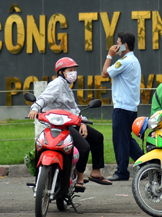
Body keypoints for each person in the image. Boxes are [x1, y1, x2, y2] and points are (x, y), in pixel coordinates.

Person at [28, 57, 110, 189]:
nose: (73, 73)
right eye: (70, 70)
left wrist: (82, 122)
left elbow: (73, 108)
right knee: (84, 146)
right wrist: (35, 108)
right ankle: (80, 178)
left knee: (97, 137)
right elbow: (44, 98)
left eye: (74, 70)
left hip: (70, 122)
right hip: (59, 125)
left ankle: (96, 172)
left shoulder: (67, 87)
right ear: (61, 72)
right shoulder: (57, 84)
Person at [101, 32, 143, 181]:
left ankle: (122, 172)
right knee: (126, 139)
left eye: (118, 43)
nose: (115, 46)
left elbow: (104, 73)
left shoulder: (124, 61)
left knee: (120, 140)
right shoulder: (134, 60)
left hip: (122, 108)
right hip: (130, 107)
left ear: (124, 45)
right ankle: (147, 164)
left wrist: (109, 55)